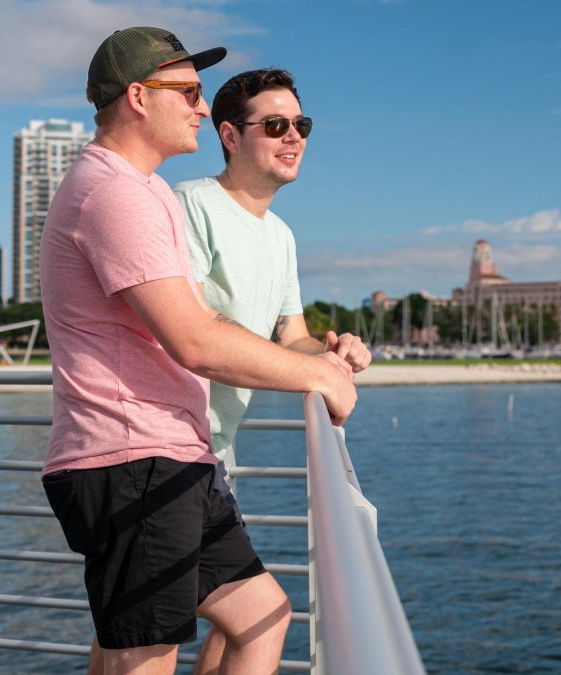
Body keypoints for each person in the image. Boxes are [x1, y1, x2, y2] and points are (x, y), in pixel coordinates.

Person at [38, 28, 356, 675]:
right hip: (134, 456)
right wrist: (321, 379)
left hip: (173, 454)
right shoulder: (115, 194)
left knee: (262, 616)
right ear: (136, 97)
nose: (200, 106)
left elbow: (207, 321)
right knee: (145, 658)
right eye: (186, 91)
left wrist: (321, 359)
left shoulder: (145, 190)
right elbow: (194, 337)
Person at [173, 68, 372, 466]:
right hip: (170, 447)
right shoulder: (190, 205)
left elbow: (293, 338)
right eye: (276, 124)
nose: (294, 136)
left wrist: (333, 353)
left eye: (302, 125)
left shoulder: (281, 235)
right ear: (230, 136)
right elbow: (192, 323)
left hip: (216, 451)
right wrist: (316, 375)